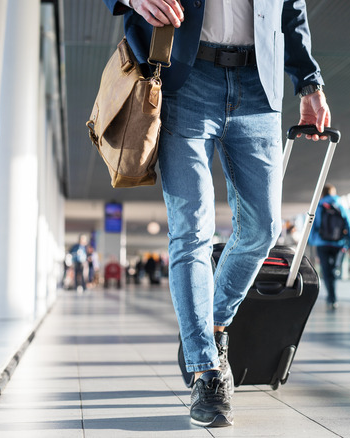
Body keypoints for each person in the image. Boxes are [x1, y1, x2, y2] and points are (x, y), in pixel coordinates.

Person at [103, 0, 331, 427]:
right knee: (191, 232)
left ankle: (214, 327)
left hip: (259, 88)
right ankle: (206, 372)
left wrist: (310, 82)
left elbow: (291, 10)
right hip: (184, 82)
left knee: (262, 230)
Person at [308, 184, 350, 310]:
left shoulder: (319, 206)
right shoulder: (341, 205)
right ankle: (333, 295)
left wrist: (313, 242)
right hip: (339, 244)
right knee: (334, 269)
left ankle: (331, 297)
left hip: (322, 244)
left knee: (326, 270)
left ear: (322, 194)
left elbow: (313, 225)